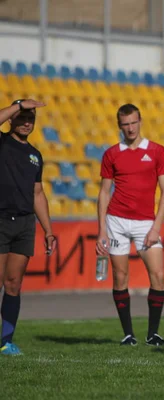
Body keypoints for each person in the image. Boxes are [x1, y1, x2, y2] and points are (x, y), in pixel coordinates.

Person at [96, 104, 164, 346]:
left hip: (146, 223)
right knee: (120, 277)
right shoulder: (111, 154)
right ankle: (128, 334)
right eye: (125, 124)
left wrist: (155, 228)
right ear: (120, 126)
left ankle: (153, 334)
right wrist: (101, 231)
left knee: (158, 276)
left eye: (133, 122)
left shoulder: (158, 151)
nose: (130, 128)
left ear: (140, 121)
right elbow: (104, 193)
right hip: (116, 220)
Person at [0, 99, 57, 356]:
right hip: (1, 219)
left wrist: (48, 230)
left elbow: (38, 194)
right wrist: (19, 104)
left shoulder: (35, 155)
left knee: (13, 284)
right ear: (12, 118)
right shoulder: (2, 142)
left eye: (30, 118)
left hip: (24, 224)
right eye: (22, 117)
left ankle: (5, 342)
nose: (26, 122)